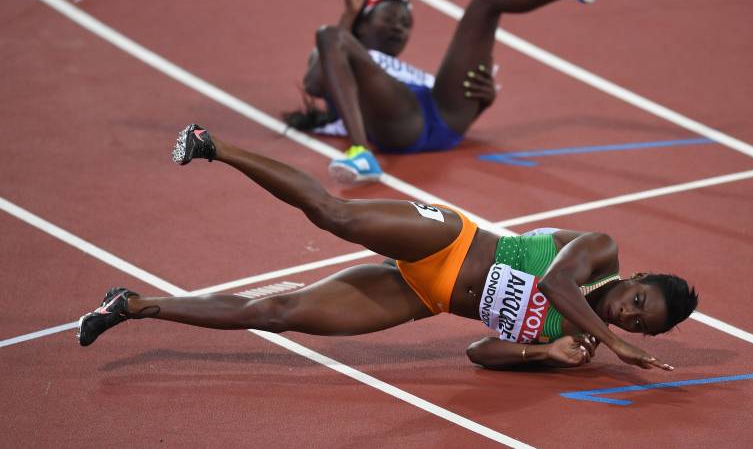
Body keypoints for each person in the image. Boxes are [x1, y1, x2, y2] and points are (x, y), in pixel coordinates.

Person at [78, 124, 698, 371]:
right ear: (636, 277)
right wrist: (613, 343)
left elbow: (480, 352)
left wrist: (545, 353)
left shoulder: (582, 341)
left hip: (420, 295)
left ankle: (131, 304)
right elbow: (557, 285)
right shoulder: (599, 251)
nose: (629, 317)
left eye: (639, 326)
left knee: (276, 313)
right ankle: (215, 145)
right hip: (451, 239)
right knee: (334, 214)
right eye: (639, 302)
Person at [284, 0, 624, 184]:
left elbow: (452, 97)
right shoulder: (341, 60)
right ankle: (360, 154)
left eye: (406, 23)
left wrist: (484, 101)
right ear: (362, 22)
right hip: (399, 126)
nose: (400, 27)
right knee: (329, 35)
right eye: (390, 18)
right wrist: (347, 16)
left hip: (444, 115)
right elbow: (315, 83)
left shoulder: (404, 71)